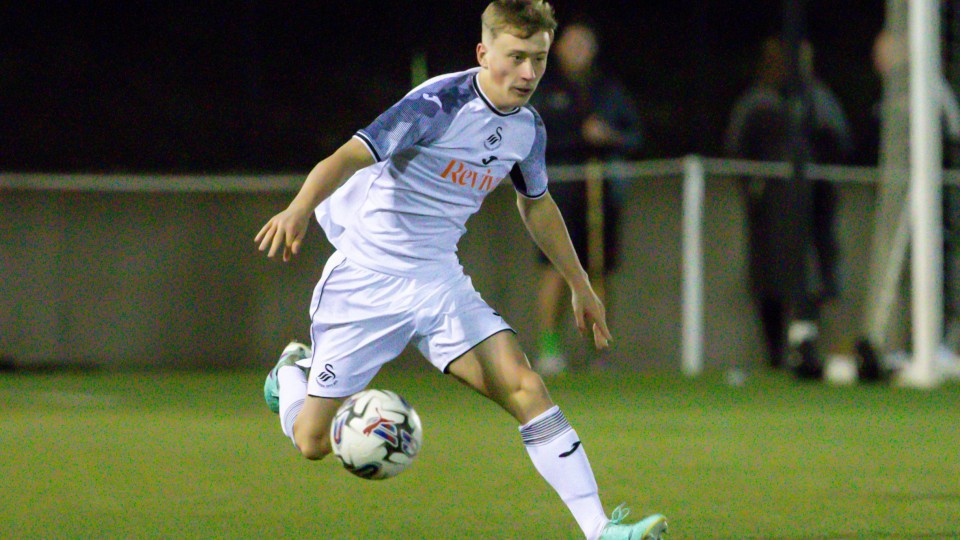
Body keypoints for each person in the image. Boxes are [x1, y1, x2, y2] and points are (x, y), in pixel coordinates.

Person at [254, 2, 667, 539]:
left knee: (527, 389)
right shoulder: (437, 104)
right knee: (312, 442)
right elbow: (349, 157)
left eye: (538, 59)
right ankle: (291, 374)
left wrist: (579, 283)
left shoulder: (528, 130)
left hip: (438, 284)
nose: (528, 73)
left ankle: (600, 530)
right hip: (367, 280)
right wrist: (298, 208)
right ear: (483, 52)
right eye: (516, 57)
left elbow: (535, 204)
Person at [724, 36, 853, 380]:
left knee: (814, 277)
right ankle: (775, 355)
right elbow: (738, 150)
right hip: (771, 211)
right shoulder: (758, 102)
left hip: (814, 206)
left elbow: (839, 143)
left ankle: (805, 350)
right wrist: (756, 189)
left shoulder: (819, 100)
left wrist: (823, 188)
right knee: (769, 278)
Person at [527, 18, 643, 375]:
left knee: (598, 269)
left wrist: (609, 137)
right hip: (557, 194)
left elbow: (634, 135)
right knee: (556, 270)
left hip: (600, 192)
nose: (579, 51)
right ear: (558, 48)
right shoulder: (544, 90)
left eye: (585, 44)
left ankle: (600, 351)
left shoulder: (608, 90)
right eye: (572, 44)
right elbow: (532, 138)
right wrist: (579, 138)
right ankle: (549, 350)